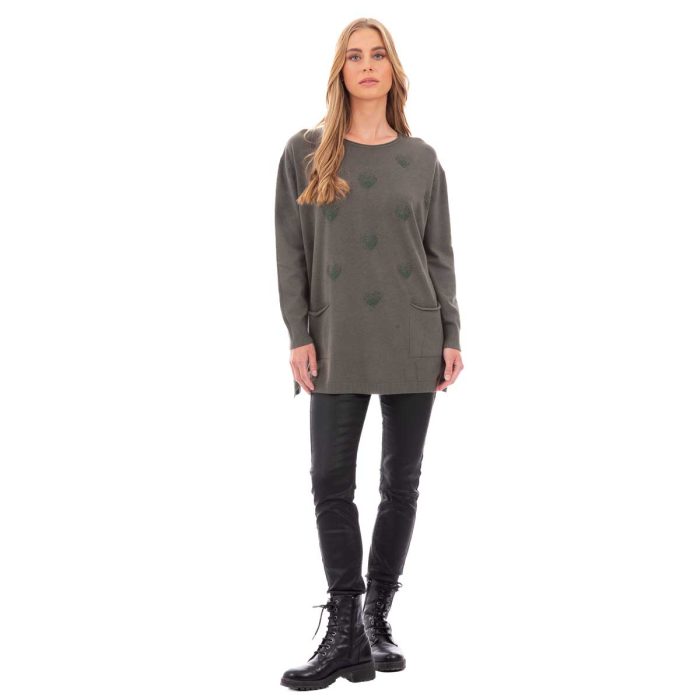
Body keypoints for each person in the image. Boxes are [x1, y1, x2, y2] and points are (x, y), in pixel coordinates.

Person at [275, 18, 463, 691]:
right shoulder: (306, 151)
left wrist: (452, 334)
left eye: (378, 54)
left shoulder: (422, 159)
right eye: (354, 56)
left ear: (393, 69)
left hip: (414, 334)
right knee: (331, 482)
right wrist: (298, 332)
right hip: (336, 337)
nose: (367, 65)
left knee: (399, 483)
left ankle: (376, 618)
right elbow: (291, 250)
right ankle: (346, 631)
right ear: (340, 71)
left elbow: (439, 254)